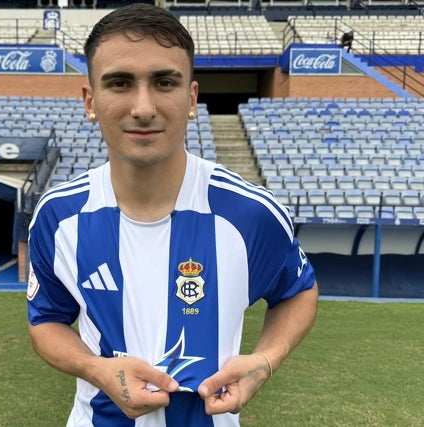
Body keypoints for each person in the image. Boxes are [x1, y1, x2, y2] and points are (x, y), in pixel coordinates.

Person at [26, 3, 319, 426]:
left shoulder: (251, 214)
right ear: (90, 101)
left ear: (191, 99)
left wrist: (265, 361)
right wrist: (95, 369)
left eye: (164, 82)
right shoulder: (58, 217)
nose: (143, 107)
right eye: (120, 83)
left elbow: (298, 292)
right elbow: (47, 320)